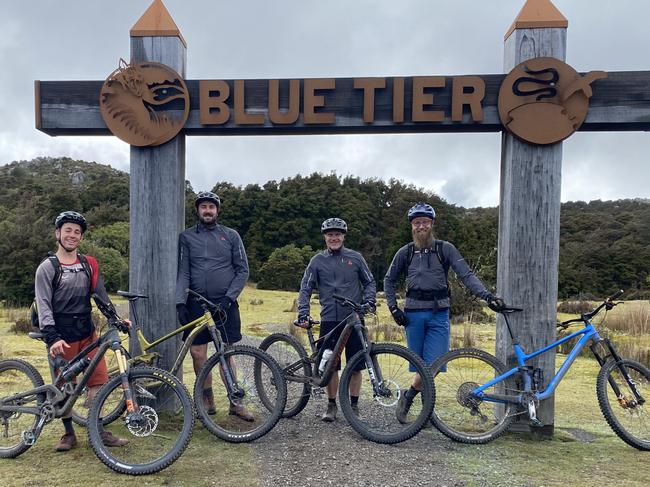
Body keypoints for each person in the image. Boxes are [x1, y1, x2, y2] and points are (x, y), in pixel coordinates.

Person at [384, 202, 504, 422]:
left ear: (432, 224)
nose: (421, 226)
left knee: (434, 365)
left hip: (439, 314)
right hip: (413, 315)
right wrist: (393, 308)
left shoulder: (444, 248)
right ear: (412, 226)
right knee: (420, 365)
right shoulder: (406, 252)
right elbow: (389, 280)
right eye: (417, 223)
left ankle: (409, 396)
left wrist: (487, 296)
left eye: (425, 222)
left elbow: (466, 275)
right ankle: (425, 413)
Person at [34, 211, 129, 451]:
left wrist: (116, 319)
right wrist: (52, 337)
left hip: (87, 333)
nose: (72, 235)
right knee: (64, 385)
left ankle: (97, 430)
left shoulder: (89, 263)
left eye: (77, 232)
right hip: (60, 336)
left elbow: (100, 295)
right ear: (58, 233)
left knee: (98, 380)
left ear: (81, 237)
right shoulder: (47, 268)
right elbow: (43, 304)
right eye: (68, 230)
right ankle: (68, 434)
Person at [175, 191, 253, 420]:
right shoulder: (187, 237)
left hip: (225, 304)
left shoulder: (231, 236)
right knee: (198, 353)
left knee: (227, 352)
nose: (207, 210)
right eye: (203, 207)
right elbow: (184, 271)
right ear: (198, 211)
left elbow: (242, 270)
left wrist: (229, 298)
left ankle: (235, 403)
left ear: (217, 210)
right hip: (196, 302)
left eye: (211, 207)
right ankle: (207, 403)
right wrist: (180, 302)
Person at [297, 218, 376, 422]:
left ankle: (354, 406)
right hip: (330, 320)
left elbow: (369, 282)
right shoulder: (317, 261)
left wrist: (369, 301)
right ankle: (331, 405)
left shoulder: (356, 258)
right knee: (331, 365)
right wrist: (303, 312)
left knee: (356, 364)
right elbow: (305, 288)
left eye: (338, 234)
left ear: (343, 236)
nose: (334, 238)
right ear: (325, 237)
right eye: (330, 234)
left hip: (354, 319)